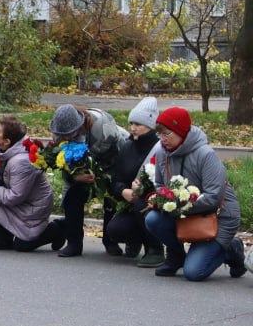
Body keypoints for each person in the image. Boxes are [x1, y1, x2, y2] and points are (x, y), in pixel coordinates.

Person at [143, 107, 244, 281]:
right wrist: (162, 199)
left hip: (218, 217)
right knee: (152, 219)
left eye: (167, 134)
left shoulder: (205, 155)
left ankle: (231, 248)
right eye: (159, 134)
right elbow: (159, 184)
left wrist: (178, 206)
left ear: (181, 132)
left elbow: (213, 197)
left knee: (194, 273)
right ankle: (176, 256)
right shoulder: (162, 153)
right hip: (185, 213)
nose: (162, 139)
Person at [46, 104, 127, 257]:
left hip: (113, 161)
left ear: (81, 124)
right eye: (64, 135)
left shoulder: (102, 128)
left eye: (71, 133)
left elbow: (116, 161)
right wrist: (74, 176)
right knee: (72, 197)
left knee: (110, 198)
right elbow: (62, 161)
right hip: (83, 169)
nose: (68, 138)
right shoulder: (59, 134)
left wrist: (96, 176)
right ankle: (74, 243)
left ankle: (110, 241)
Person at [0, 116, 64, 252]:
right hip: (20, 204)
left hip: (32, 208)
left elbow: (16, 196)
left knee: (22, 246)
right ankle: (3, 240)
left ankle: (54, 230)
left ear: (7, 141)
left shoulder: (21, 162)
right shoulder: (3, 150)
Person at [105, 97, 164, 268]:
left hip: (154, 202)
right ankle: (137, 240)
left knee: (141, 206)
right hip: (131, 201)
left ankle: (155, 248)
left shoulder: (160, 148)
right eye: (131, 123)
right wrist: (123, 191)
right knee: (115, 230)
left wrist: (144, 192)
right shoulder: (127, 147)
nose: (132, 128)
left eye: (138, 124)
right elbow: (116, 178)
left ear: (151, 125)